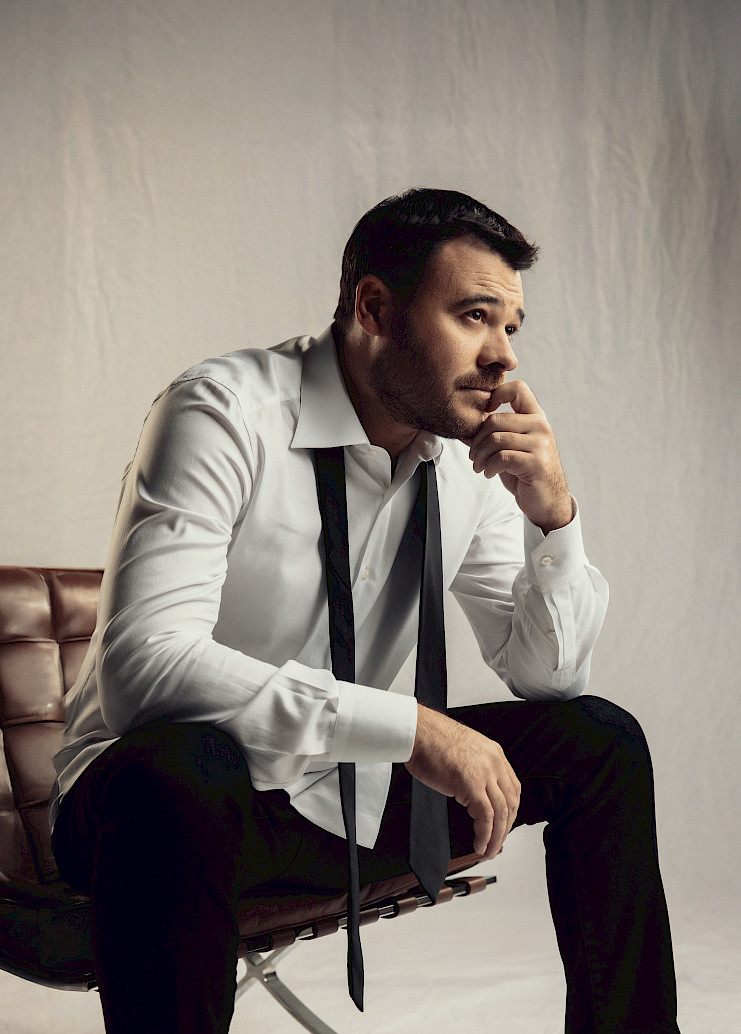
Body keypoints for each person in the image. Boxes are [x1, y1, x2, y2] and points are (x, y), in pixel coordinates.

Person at [50, 188, 680, 1033]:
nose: (502, 356)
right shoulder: (224, 411)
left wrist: (553, 516)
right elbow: (145, 667)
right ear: (374, 308)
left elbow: (548, 676)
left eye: (510, 327)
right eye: (474, 315)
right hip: (153, 816)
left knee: (599, 741)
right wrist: (411, 729)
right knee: (186, 766)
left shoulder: (464, 459)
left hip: (341, 798)